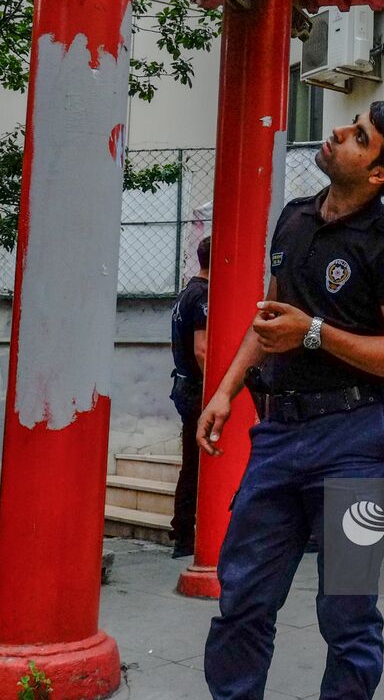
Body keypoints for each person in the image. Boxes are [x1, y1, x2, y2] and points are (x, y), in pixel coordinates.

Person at [197, 101, 384, 700]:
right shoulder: (295, 218)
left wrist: (313, 332)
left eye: (358, 137)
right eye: (351, 125)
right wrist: (224, 391)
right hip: (279, 436)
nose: (337, 133)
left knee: (348, 616)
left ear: (380, 173)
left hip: (358, 439)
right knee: (242, 599)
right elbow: (269, 317)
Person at [168, 234, 211, 560]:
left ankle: (182, 533)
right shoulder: (203, 296)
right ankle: (184, 536)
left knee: (191, 464)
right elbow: (202, 349)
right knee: (197, 465)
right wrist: (220, 388)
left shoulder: (186, 292)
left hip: (184, 386)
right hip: (197, 389)